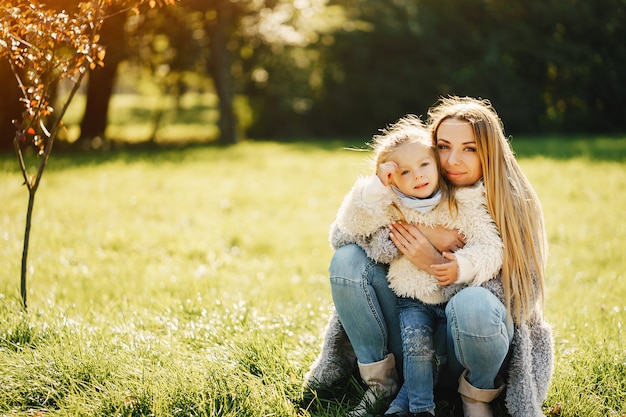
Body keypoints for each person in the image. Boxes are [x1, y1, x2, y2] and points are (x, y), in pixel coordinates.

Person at [305, 96, 553, 417]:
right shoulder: (413, 187)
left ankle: (476, 398)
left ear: (489, 152)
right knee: (347, 259)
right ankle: (381, 384)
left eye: (469, 148)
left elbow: (519, 294)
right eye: (443, 146)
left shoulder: (508, 203)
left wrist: (437, 263)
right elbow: (344, 234)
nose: (452, 159)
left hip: (469, 345)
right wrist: (419, 229)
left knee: (474, 303)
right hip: (410, 334)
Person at [329, 114, 503, 416]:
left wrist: (461, 266)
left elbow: (490, 249)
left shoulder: (464, 201)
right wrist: (376, 186)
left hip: (456, 310)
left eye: (424, 165)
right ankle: (409, 403)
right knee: (418, 351)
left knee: (431, 347)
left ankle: (460, 399)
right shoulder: (393, 201)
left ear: (435, 164)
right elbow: (351, 224)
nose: (418, 176)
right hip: (412, 299)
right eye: (405, 172)